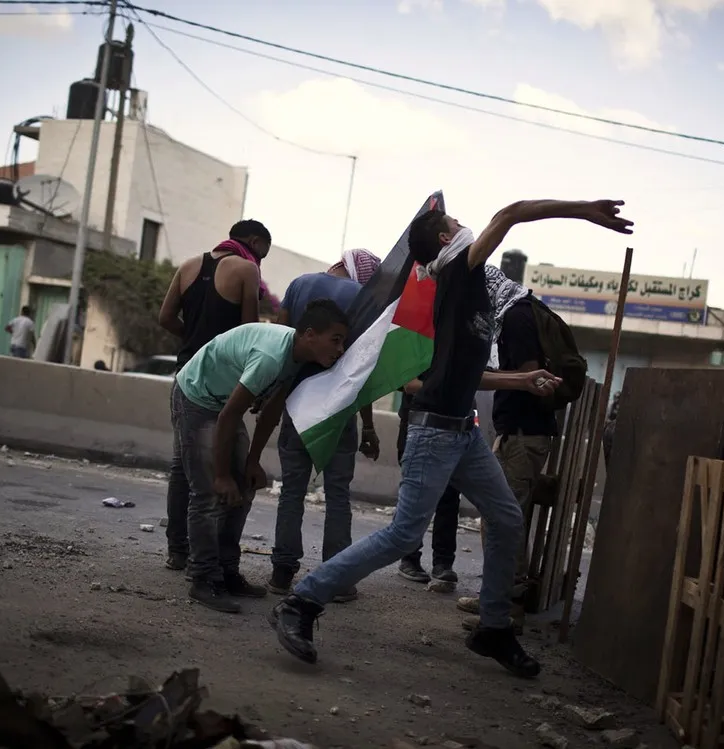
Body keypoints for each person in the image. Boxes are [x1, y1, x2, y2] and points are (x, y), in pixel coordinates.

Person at [270, 197, 633, 678]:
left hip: (462, 431)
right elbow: (511, 212)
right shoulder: (460, 269)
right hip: (434, 431)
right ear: (447, 239)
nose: (465, 224)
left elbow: (465, 373)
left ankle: (494, 628)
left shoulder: (469, 292)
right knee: (404, 534)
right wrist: (583, 209)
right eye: (456, 223)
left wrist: (520, 381)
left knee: (506, 519)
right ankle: (303, 602)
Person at [172, 299, 350, 613]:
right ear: (309, 334)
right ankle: (202, 578)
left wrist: (251, 463)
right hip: (197, 399)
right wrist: (222, 475)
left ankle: (227, 571)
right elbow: (229, 415)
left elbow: (270, 413)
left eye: (343, 342)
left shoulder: (295, 358)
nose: (339, 349)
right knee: (210, 493)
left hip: (223, 406)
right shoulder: (272, 356)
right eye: (335, 340)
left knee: (244, 487)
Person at [158, 219, 272, 572]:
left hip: (184, 374)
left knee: (183, 468)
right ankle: (212, 561)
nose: (261, 262)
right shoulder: (246, 270)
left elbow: (165, 318)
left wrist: (195, 341)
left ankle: (178, 551)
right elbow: (250, 333)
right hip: (220, 383)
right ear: (254, 242)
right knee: (218, 476)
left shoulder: (189, 265)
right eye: (263, 253)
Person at [269, 249, 382, 602]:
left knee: (291, 492)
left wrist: (269, 395)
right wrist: (368, 426)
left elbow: (282, 344)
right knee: (337, 496)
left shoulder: (300, 284)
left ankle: (281, 573)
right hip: (340, 409)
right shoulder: (364, 298)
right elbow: (362, 369)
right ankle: (337, 578)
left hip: (297, 403)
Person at [457, 265, 558, 632]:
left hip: (523, 434)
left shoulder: (516, 319)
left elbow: (534, 379)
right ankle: (496, 599)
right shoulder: (513, 314)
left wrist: (497, 380)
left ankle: (506, 610)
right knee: (500, 518)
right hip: (514, 432)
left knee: (506, 520)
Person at [396, 371, 463, 586]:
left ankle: (443, 563)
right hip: (416, 423)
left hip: (451, 424)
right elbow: (410, 385)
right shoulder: (418, 343)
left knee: (450, 496)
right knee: (415, 496)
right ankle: (409, 558)